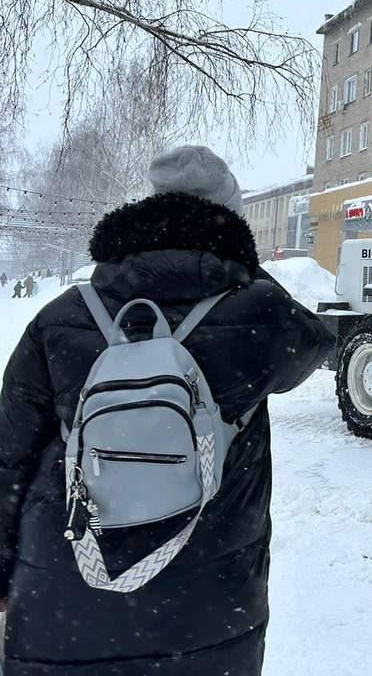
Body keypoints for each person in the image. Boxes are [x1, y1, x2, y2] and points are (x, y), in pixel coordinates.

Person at [0, 145, 333, 675]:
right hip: (208, 610)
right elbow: (317, 342)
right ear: (230, 219)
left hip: (63, 595)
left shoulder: (62, 315)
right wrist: (243, 266)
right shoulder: (261, 318)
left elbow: (9, 457)